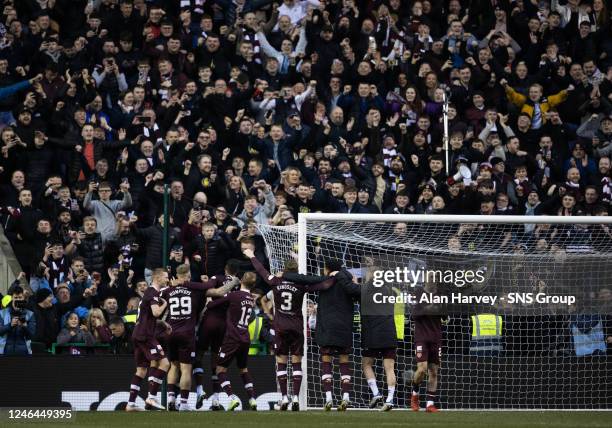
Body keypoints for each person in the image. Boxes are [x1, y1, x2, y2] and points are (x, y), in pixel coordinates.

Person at [244, 247, 335, 411]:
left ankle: (284, 397)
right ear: (296, 271)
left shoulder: (275, 282)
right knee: (297, 362)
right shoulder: (301, 285)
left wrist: (252, 256)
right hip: (297, 328)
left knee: (281, 362)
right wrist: (334, 277)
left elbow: (262, 271)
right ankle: (295, 399)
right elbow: (323, 285)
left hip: (280, 327)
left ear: (284, 271)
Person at [283, 258, 360, 411]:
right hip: (344, 327)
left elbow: (303, 279)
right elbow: (357, 294)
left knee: (326, 361)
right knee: (344, 360)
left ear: (327, 269)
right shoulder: (348, 283)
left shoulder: (325, 280)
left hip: (326, 327)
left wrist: (285, 275)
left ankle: (329, 398)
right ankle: (346, 397)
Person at [162, 264, 237, 411]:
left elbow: (159, 311)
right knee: (185, 368)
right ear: (189, 275)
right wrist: (234, 282)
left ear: (177, 276)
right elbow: (220, 291)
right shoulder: (197, 290)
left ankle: (170, 399)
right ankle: (183, 403)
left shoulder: (168, 290)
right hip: (186, 333)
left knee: (173, 366)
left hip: (170, 332)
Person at [207, 271, 258, 411]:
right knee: (243, 369)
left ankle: (231, 398)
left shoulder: (234, 295)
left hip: (232, 338)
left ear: (241, 280)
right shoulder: (251, 299)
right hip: (245, 338)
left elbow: (213, 305)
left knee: (219, 369)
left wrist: (208, 301)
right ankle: (252, 399)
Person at [193, 260, 241, 411]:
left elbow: (206, 290)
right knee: (216, 359)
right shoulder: (238, 284)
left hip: (210, 320)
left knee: (198, 355)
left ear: (226, 269)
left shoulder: (217, 277)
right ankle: (215, 400)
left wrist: (207, 285)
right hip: (225, 324)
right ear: (237, 272)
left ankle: (200, 389)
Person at [125, 268, 171, 412]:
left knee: (141, 370)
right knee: (165, 363)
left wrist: (163, 323)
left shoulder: (149, 293)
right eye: (165, 277)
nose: (167, 279)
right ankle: (151, 396)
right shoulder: (153, 292)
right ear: (157, 278)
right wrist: (165, 304)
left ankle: (130, 404)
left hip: (138, 333)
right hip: (145, 335)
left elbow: (147, 316)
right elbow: (156, 312)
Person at [410, 277, 446, 413]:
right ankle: (415, 395)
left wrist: (442, 309)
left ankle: (430, 404)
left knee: (434, 371)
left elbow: (445, 316)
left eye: (435, 278)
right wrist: (428, 308)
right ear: (425, 279)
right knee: (422, 369)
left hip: (436, 337)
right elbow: (414, 314)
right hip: (421, 337)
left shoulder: (441, 295)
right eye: (430, 277)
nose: (433, 280)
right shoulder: (417, 293)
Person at [0, 286, 36, 355]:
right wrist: (10, 325)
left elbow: (32, 335)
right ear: (12, 298)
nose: (18, 300)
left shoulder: (30, 314)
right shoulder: (2, 313)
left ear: (23, 298)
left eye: (20, 297)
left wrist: (25, 326)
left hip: (24, 353)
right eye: (16, 298)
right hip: (4, 353)